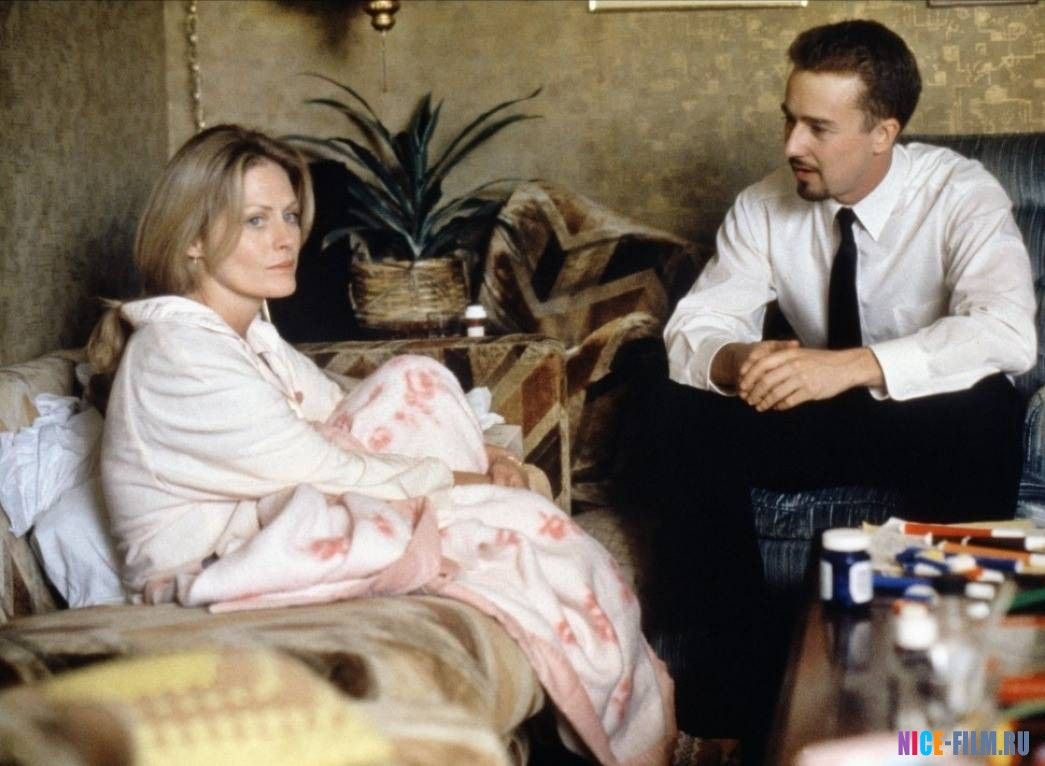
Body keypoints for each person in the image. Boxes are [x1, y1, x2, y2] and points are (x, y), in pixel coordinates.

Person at [87, 125, 676, 764]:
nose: (286, 238)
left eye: (289, 215)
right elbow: (323, 463)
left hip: (275, 521)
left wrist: (490, 456)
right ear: (193, 240)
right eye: (256, 221)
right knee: (468, 459)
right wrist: (471, 481)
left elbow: (335, 407)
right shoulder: (178, 354)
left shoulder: (247, 339)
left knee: (417, 386)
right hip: (215, 563)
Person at [631, 18, 1035, 757]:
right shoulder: (763, 205)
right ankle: (735, 701)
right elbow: (699, 324)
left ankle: (950, 695)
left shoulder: (958, 193)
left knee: (989, 406)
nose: (792, 145)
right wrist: (737, 361)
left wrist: (851, 366)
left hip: (923, 419)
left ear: (883, 133)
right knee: (671, 403)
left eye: (818, 128)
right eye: (789, 120)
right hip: (813, 416)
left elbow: (1007, 332)